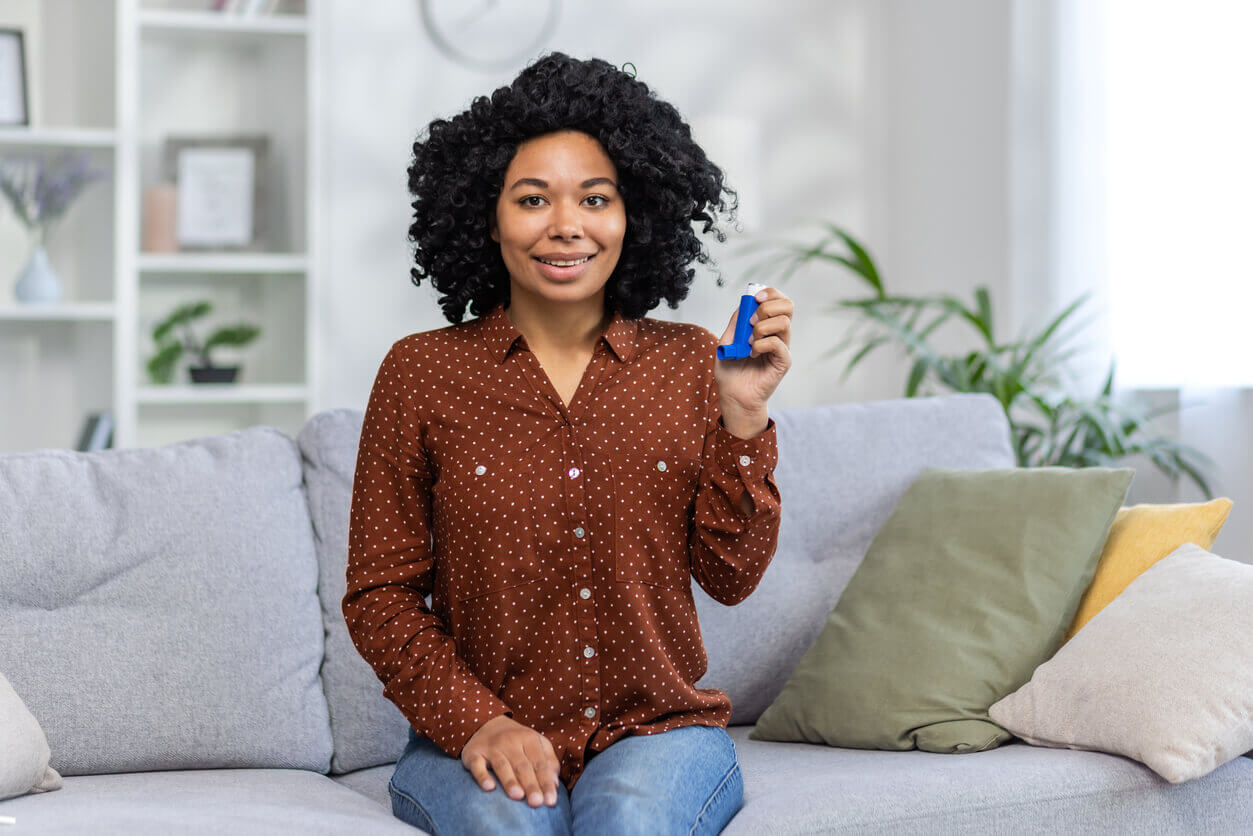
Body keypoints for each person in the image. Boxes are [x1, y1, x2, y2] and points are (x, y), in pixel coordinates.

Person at [343, 51, 793, 835]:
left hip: (657, 731)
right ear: (487, 215)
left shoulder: (690, 361)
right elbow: (379, 596)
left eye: (595, 198)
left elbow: (730, 576)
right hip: (472, 736)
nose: (566, 225)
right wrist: (477, 721)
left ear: (633, 216)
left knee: (628, 824)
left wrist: (741, 419)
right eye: (531, 199)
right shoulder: (420, 373)